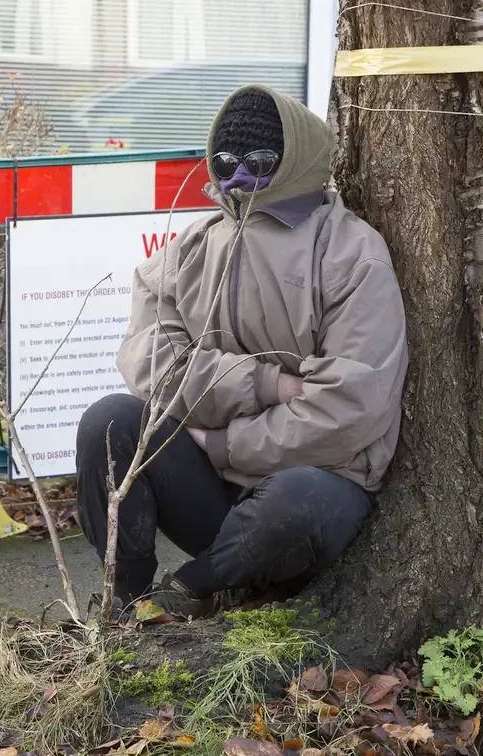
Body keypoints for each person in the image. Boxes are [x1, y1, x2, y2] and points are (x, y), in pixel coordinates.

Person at [73, 84, 409, 619]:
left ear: (295, 159)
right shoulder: (194, 245)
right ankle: (124, 601)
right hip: (215, 485)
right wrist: (266, 386)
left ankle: (188, 592)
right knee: (109, 422)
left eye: (258, 162)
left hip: (315, 487)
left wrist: (220, 440)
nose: (237, 179)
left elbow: (349, 407)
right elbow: (148, 359)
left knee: (294, 502)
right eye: (225, 163)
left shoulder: (351, 252)